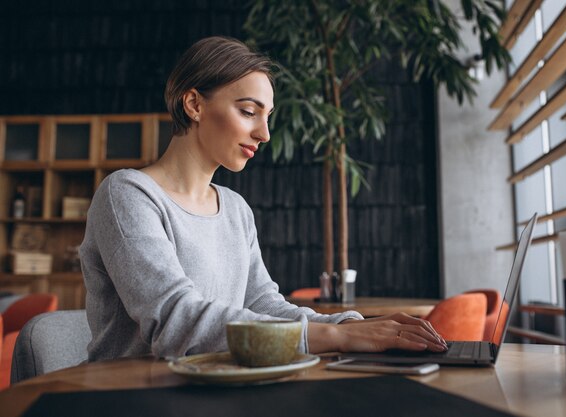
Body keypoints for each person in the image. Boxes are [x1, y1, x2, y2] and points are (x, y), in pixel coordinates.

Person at [79, 36, 447, 362]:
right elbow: (176, 319)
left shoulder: (235, 209)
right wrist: (338, 336)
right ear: (193, 104)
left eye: (267, 116)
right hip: (130, 395)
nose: (265, 133)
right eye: (248, 111)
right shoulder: (128, 194)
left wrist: (353, 325)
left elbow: (262, 305)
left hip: (213, 391)